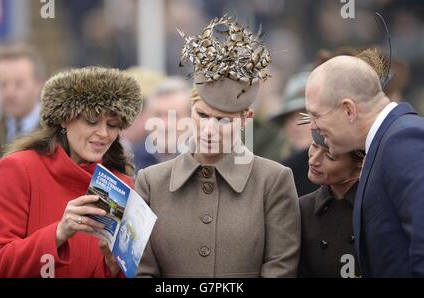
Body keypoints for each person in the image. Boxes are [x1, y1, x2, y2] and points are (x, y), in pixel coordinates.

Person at [135, 16, 300, 278]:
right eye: (202, 116)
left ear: (245, 121)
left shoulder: (273, 181)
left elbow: (280, 268)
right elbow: (144, 272)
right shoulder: (151, 182)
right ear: (190, 112)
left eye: (224, 120)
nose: (210, 129)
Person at [0, 67, 142, 277]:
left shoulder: (122, 185)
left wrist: (113, 266)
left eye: (112, 125)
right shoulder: (18, 169)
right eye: (92, 121)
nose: (103, 133)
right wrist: (57, 234)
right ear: (64, 118)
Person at [305, 52, 424, 277]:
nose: (312, 126)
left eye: (316, 115)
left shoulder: (403, 140)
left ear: (349, 110)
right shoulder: (386, 142)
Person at [0, 43, 46, 277]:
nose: (9, 92)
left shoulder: (53, 134)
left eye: (18, 84)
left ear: (39, 84)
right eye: (3, 84)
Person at [298, 129, 363, 278]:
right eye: (314, 146)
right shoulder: (301, 209)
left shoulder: (377, 210)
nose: (314, 160)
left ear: (360, 162)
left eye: (330, 156)